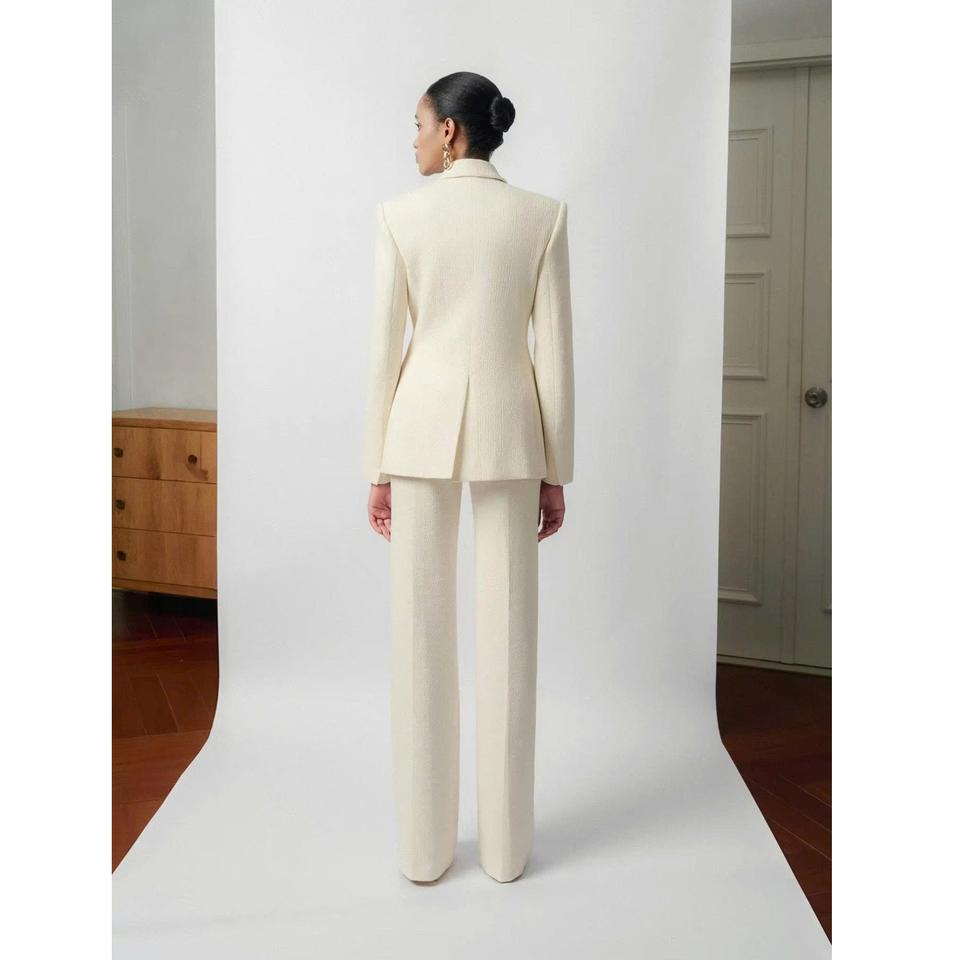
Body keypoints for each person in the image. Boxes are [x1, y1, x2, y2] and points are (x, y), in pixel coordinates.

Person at [362, 71, 574, 884]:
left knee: (419, 638)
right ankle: (508, 852)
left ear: (450, 131)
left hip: (418, 437)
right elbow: (555, 355)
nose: (413, 139)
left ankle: (424, 852)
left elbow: (383, 350)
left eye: (418, 124)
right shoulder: (542, 215)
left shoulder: (400, 217)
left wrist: (378, 465)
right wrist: (556, 468)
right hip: (514, 437)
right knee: (511, 637)